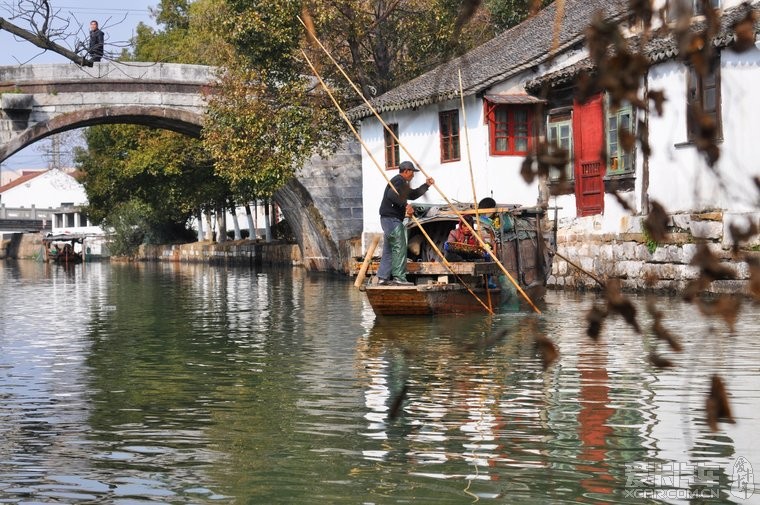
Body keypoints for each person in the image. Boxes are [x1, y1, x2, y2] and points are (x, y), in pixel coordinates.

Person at [377, 161, 434, 285]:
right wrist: (406, 205)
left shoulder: (402, 183)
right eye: (412, 172)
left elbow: (412, 195)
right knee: (399, 247)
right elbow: (391, 195)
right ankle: (399, 278)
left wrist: (426, 185)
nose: (413, 175)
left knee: (389, 249)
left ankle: (383, 278)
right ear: (407, 171)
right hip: (392, 219)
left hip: (387, 219)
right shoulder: (399, 180)